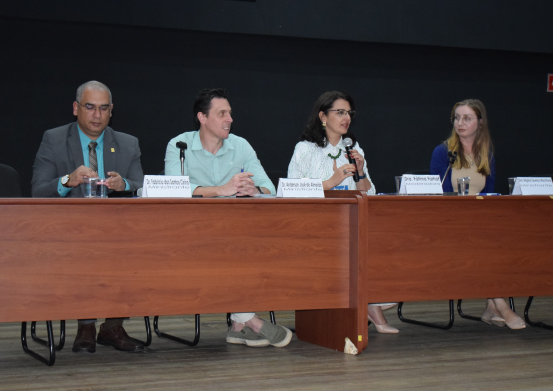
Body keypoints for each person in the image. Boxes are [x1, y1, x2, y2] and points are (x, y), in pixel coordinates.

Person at [164, 88, 292, 347]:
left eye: (230, 113)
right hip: (190, 234)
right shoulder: (179, 145)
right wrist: (221, 191)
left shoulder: (240, 145)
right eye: (222, 113)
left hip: (235, 232)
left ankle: (238, 325)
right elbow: (172, 190)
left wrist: (254, 190)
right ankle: (253, 321)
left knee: (248, 247)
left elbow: (270, 188)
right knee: (230, 250)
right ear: (202, 117)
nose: (229, 119)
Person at [32, 80, 146, 352]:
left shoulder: (128, 144)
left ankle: (111, 326)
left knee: (136, 248)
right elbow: (37, 191)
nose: (97, 115)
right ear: (76, 108)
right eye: (90, 107)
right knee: (87, 248)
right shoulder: (55, 139)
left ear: (111, 111)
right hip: (68, 231)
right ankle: (86, 325)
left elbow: (142, 186)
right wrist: (68, 180)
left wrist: (125, 185)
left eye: (103, 109)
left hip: (116, 230)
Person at [287, 91, 398, 334]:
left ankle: (373, 300)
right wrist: (330, 182)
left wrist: (360, 173)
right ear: (323, 116)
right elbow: (291, 190)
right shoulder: (305, 149)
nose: (346, 117)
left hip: (350, 221)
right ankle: (372, 303)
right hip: (315, 225)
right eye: (340, 112)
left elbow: (369, 194)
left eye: (349, 113)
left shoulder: (354, 149)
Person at [430, 98, 525, 330]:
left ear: (479, 123)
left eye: (467, 118)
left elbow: (491, 194)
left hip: (479, 221)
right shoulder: (443, 152)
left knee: (502, 241)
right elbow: (436, 192)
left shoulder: (486, 153)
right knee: (481, 244)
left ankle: (491, 307)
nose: (460, 123)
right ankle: (501, 306)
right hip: (449, 222)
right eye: (456, 118)